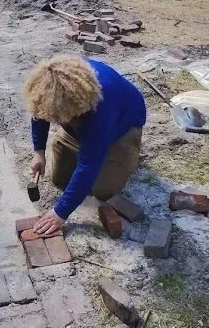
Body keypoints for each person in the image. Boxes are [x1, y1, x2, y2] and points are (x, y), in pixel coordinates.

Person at [24, 54, 146, 236]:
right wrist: (39, 152)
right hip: (82, 125)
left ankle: (128, 154)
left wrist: (60, 212)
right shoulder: (53, 82)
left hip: (122, 130)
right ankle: (84, 144)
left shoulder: (101, 106)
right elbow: (40, 112)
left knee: (102, 190)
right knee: (59, 178)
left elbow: (88, 166)